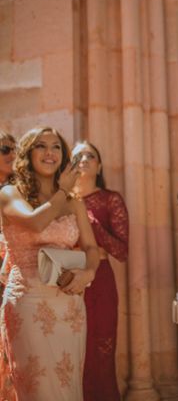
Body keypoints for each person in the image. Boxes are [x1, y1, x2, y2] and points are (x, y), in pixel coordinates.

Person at [0, 127, 100, 400]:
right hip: (28, 303)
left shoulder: (75, 203)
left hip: (69, 303)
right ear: (28, 154)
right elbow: (36, 222)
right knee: (38, 389)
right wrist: (63, 191)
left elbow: (91, 248)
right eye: (41, 146)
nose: (49, 153)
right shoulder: (9, 194)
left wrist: (87, 273)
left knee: (67, 386)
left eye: (56, 147)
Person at [72, 140, 129, 401]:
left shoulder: (110, 200)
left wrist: (93, 224)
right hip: (65, 281)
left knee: (101, 354)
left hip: (100, 280)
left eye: (90, 155)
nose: (84, 159)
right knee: (71, 356)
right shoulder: (61, 201)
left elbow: (122, 251)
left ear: (99, 165)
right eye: (78, 155)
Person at [0, 130, 16, 401]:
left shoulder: (20, 190)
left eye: (14, 149)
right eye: (4, 150)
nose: (11, 155)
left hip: (13, 272)